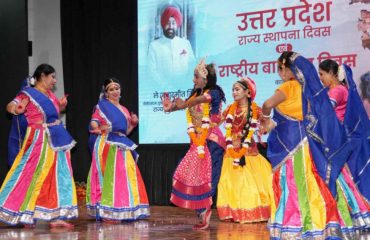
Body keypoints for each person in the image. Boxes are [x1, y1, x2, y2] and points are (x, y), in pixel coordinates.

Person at [260, 52, 356, 239]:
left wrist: (264, 117)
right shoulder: (307, 90)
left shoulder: (288, 87)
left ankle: (297, 225)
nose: (279, 72)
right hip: (306, 145)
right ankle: (319, 222)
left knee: (293, 184)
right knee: (310, 183)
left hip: (290, 148)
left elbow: (267, 104)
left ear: (288, 69)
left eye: (280, 68)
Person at [0, 64, 77, 228]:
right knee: (30, 174)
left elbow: (52, 114)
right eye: (53, 77)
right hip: (39, 139)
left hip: (56, 138)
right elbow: (10, 106)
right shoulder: (27, 93)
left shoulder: (50, 95)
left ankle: (55, 216)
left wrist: (61, 105)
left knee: (56, 175)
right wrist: (17, 109)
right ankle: (23, 213)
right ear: (43, 76)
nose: (54, 81)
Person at [162, 59, 225, 230]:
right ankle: (201, 211)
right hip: (197, 141)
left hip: (212, 141)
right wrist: (170, 108)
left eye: (196, 76)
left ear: (205, 79)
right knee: (194, 176)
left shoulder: (214, 92)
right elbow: (185, 105)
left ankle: (205, 210)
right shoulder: (194, 94)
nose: (193, 80)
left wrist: (186, 103)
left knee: (209, 178)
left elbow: (203, 100)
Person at [86, 78, 150, 222]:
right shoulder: (102, 106)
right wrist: (99, 128)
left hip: (121, 143)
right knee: (111, 177)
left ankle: (123, 208)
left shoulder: (125, 109)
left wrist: (133, 124)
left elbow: (125, 132)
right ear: (106, 93)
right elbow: (93, 124)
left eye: (117, 88)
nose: (115, 91)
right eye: (111, 89)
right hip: (107, 144)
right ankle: (109, 211)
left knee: (125, 176)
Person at [319, 60, 370, 225]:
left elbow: (325, 113)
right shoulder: (337, 89)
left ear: (332, 74)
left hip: (338, 140)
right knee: (345, 176)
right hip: (339, 137)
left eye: (322, 74)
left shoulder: (337, 91)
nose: (320, 78)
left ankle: (349, 213)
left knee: (341, 176)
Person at [216, 77, 272, 223]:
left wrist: (263, 130)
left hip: (248, 152)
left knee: (248, 184)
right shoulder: (229, 109)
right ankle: (232, 212)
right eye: (233, 90)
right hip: (231, 152)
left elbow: (268, 123)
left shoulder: (255, 110)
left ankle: (251, 212)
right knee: (231, 183)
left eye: (237, 89)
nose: (234, 92)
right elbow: (217, 121)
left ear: (248, 93)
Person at [148, 5, 195, 82]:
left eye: (173, 23)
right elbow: (152, 71)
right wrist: (165, 86)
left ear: (177, 25)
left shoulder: (185, 43)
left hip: (184, 88)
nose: (170, 26)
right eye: (167, 23)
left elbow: (192, 66)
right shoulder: (154, 46)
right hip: (161, 91)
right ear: (163, 25)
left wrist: (186, 83)